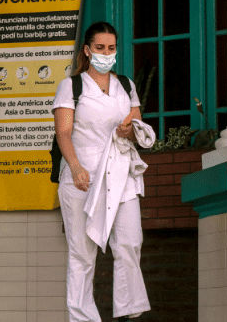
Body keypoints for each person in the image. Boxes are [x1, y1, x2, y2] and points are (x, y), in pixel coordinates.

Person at [52, 21, 150, 322]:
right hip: (83, 177)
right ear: (87, 49)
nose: (106, 53)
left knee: (130, 243)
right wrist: (76, 167)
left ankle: (130, 311)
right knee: (82, 254)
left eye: (110, 48)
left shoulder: (126, 85)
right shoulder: (72, 85)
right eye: (99, 48)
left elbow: (136, 126)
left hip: (121, 174)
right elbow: (63, 133)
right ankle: (82, 318)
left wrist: (128, 131)